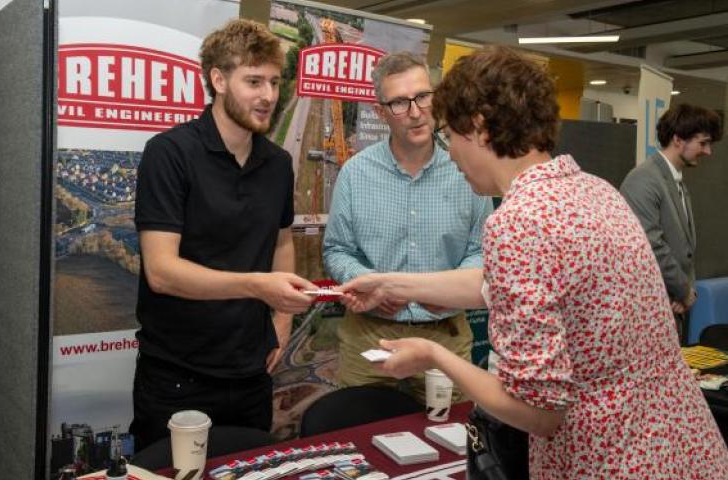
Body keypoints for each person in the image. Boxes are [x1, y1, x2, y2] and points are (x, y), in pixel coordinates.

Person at [339, 46, 728, 479]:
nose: (448, 152)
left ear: (480, 128)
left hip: (608, 459)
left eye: (450, 133)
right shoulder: (596, 190)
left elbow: (538, 413)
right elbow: (503, 284)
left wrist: (434, 355)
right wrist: (393, 285)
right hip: (682, 446)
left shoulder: (519, 222)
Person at [130, 19, 316, 451]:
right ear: (218, 79)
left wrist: (283, 321)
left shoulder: (276, 164)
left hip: (253, 375)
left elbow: (282, 240)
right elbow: (162, 272)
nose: (269, 96)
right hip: (177, 377)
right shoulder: (170, 154)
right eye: (253, 81)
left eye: (273, 81)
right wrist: (256, 286)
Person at [322, 52, 492, 401]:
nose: (415, 112)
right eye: (399, 102)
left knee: (449, 443)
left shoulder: (467, 169)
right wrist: (374, 288)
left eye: (423, 97)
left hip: (445, 338)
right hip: (370, 340)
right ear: (380, 112)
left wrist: (445, 291)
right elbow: (337, 250)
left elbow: (482, 251)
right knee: (359, 437)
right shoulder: (356, 174)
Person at [621, 104, 722, 342]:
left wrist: (686, 292)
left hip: (672, 306)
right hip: (649, 311)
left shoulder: (675, 181)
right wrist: (684, 291)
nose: (707, 151)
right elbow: (652, 246)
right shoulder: (644, 180)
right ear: (678, 139)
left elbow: (684, 252)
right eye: (703, 143)